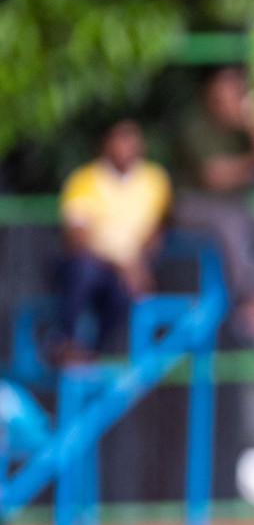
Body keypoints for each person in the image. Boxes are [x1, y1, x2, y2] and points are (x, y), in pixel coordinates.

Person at [174, 66, 254, 344]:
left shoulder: (246, 127)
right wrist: (252, 164)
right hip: (194, 203)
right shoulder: (195, 124)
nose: (232, 96)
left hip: (235, 204)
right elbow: (214, 177)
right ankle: (246, 302)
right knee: (230, 225)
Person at [53, 119, 171, 361]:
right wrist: (120, 261)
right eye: (120, 138)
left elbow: (155, 230)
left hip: (131, 267)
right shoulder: (84, 180)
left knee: (123, 291)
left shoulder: (155, 180)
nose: (127, 146)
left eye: (132, 138)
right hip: (95, 262)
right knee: (83, 269)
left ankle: (93, 351)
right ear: (105, 144)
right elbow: (77, 236)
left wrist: (136, 264)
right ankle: (64, 340)